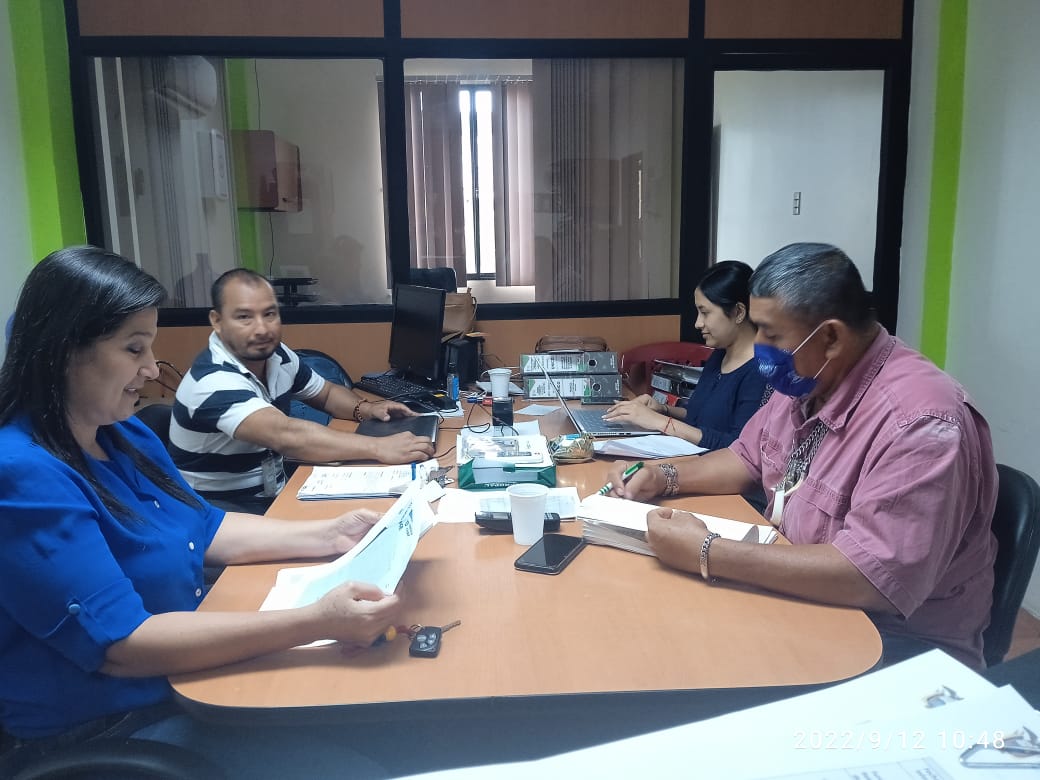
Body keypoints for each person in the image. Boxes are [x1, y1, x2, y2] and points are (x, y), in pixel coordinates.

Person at [0, 248, 405, 774]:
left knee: (383, 724)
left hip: (184, 683)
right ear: (62, 351)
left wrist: (332, 535)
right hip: (111, 726)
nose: (151, 368)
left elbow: (204, 526)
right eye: (134, 348)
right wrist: (315, 622)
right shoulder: (23, 475)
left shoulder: (122, 433)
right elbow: (122, 645)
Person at [607, 243, 998, 669]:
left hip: (890, 647)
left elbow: (871, 577)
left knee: (688, 665)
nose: (759, 346)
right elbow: (746, 458)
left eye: (771, 334)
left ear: (830, 336)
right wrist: (662, 474)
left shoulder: (920, 422)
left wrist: (707, 551)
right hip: (802, 601)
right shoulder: (810, 377)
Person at [171, 268, 435, 514]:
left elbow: (326, 393)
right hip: (217, 512)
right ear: (217, 321)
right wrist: (379, 447)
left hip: (272, 492)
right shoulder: (213, 380)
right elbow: (287, 436)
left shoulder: (277, 356)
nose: (261, 329)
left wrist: (366, 409)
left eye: (269, 314)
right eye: (244, 317)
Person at [603, 261, 766, 449]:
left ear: (738, 312)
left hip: (711, 464)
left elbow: (738, 449)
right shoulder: (720, 355)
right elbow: (698, 416)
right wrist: (662, 409)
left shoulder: (760, 372)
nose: (698, 323)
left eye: (705, 313)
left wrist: (660, 422)